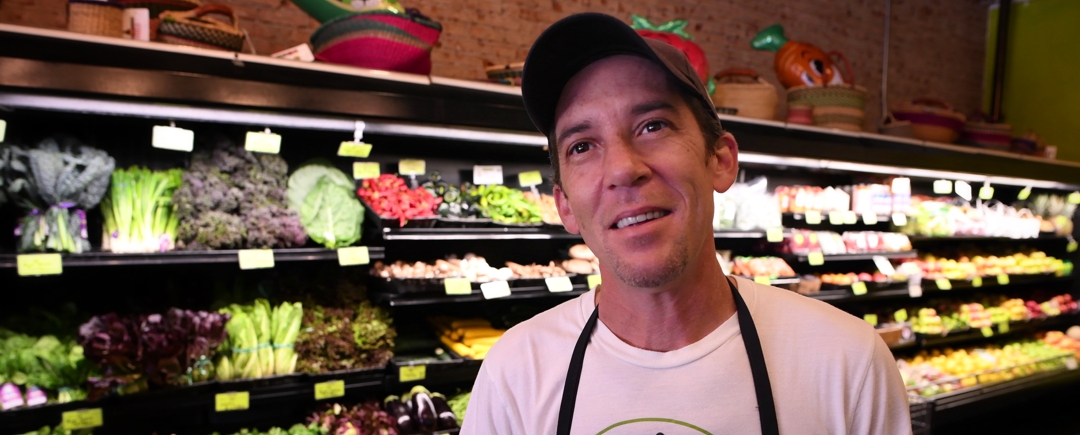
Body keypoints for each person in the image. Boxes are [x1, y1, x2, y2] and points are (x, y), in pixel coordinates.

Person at [460, 12, 911, 435]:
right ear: (565, 206)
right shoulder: (513, 376)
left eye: (653, 126)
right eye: (582, 146)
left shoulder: (848, 363)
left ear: (721, 160)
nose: (622, 169)